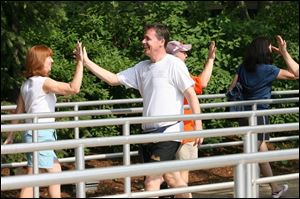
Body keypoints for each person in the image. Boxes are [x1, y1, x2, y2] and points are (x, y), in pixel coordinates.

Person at [82, 23, 202, 198]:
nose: (143, 41)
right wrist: (86, 62)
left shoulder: (174, 64)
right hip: (147, 135)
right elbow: (113, 79)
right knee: (173, 179)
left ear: (161, 41)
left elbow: (191, 94)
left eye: (148, 38)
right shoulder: (142, 67)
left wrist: (198, 125)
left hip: (168, 133)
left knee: (151, 182)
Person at [4, 42, 84, 198]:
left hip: (33, 134)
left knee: (47, 172)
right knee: (38, 176)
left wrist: (10, 136)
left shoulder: (26, 84)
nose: (52, 61)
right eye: (49, 57)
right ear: (39, 61)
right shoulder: (43, 82)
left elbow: (18, 113)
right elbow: (73, 88)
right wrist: (80, 63)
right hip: (40, 135)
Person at [227, 35, 298, 198]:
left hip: (244, 114)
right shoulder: (269, 70)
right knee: (252, 152)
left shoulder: (243, 67)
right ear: (265, 51)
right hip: (259, 114)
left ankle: (274, 188)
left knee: (260, 151)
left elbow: (231, 88)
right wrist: (283, 52)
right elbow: (296, 74)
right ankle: (243, 187)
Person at [164, 40, 216, 187]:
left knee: (167, 173)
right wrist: (211, 60)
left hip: (166, 133)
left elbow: (201, 83)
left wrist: (210, 59)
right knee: (181, 175)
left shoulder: (163, 73)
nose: (186, 55)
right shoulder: (181, 75)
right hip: (185, 132)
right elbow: (202, 83)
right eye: (183, 52)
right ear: (174, 55)